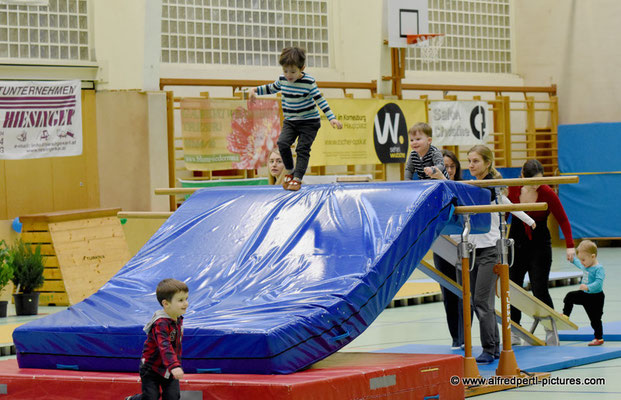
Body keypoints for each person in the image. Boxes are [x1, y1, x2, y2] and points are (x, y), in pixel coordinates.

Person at [465, 145, 536, 364]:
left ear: (487, 163)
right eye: (469, 161)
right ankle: (493, 346)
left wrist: (530, 221)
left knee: (481, 300)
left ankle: (489, 348)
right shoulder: (473, 186)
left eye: (475, 161)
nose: (470, 165)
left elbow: (510, 205)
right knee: (477, 302)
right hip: (472, 250)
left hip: (490, 250)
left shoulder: (492, 188)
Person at [249, 46, 342, 191]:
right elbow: (271, 88)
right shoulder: (283, 80)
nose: (288, 75)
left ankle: (297, 178)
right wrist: (255, 90)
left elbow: (320, 100)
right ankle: (291, 172)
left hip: (309, 122)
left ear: (302, 68)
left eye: (293, 72)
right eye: (285, 71)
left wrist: (331, 118)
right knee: (282, 143)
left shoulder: (309, 82)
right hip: (291, 121)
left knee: (302, 149)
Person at [507, 159, 575, 346]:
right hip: (516, 243)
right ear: (523, 176)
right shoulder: (513, 189)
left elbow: (563, 220)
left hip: (540, 245)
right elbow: (502, 215)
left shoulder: (546, 191)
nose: (537, 184)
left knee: (540, 288)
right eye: (533, 181)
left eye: (540, 180)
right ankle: (514, 329)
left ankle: (549, 329)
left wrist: (570, 245)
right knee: (514, 287)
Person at [126, 279, 189, 400]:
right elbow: (164, 345)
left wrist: (174, 364)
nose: (186, 303)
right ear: (166, 303)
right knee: (151, 397)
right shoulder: (160, 323)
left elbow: (176, 345)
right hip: (151, 368)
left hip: (168, 367)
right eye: (181, 300)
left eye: (186, 299)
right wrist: (174, 365)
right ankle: (132, 399)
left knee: (173, 396)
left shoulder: (178, 318)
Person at [431, 149, 465, 348]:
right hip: (443, 247)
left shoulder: (460, 187)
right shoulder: (433, 190)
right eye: (446, 167)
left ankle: (465, 336)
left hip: (462, 246)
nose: (450, 170)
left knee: (465, 295)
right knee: (449, 294)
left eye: (453, 167)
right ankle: (456, 338)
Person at [562, 240, 605, 346]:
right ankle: (566, 315)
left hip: (596, 298)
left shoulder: (599, 269)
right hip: (585, 295)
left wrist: (587, 287)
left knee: (595, 319)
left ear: (593, 256)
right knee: (570, 296)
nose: (582, 262)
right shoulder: (586, 264)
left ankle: (598, 338)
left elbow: (599, 283)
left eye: (583, 259)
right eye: (580, 259)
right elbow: (579, 264)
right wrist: (573, 260)